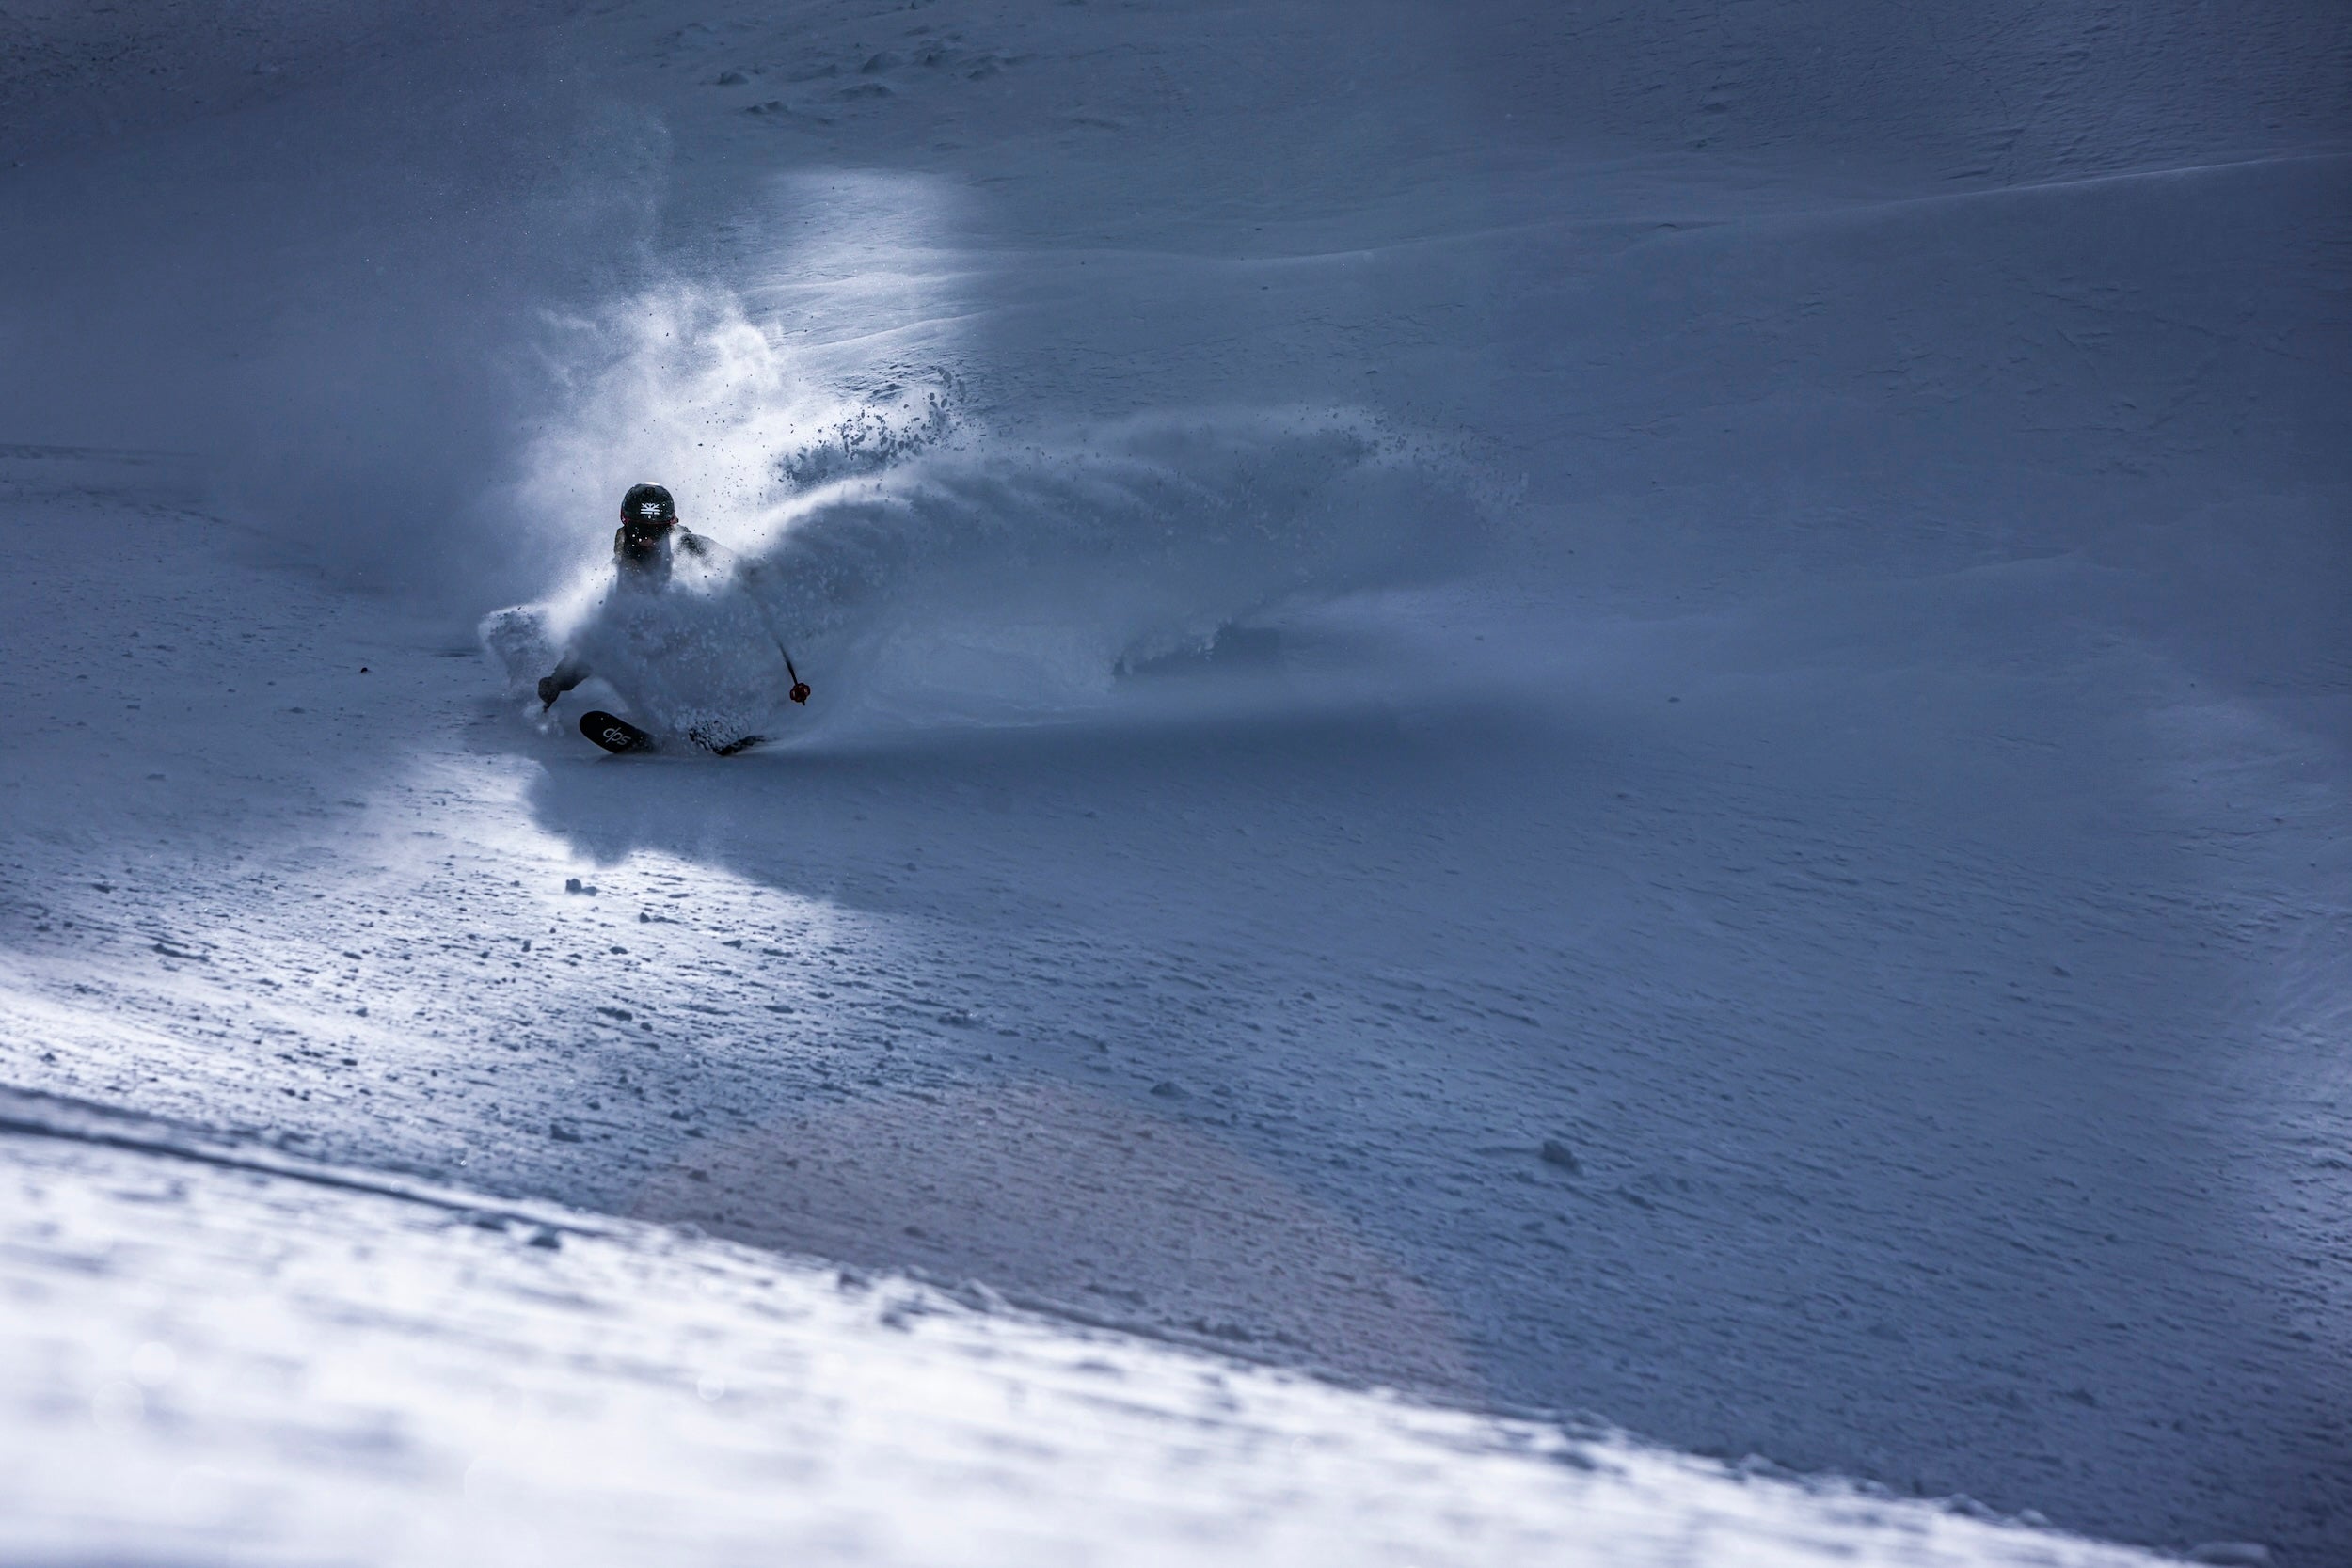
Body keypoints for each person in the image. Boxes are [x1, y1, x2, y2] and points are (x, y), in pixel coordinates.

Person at [534, 483, 809, 752]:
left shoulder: (690, 546)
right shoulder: (618, 576)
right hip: (661, 653)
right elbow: (598, 640)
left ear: (672, 525)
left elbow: (733, 563)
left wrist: (752, 573)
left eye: (659, 530)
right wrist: (559, 681)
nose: (649, 539)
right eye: (640, 529)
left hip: (706, 642)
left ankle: (725, 715)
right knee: (630, 641)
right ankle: (676, 719)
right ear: (625, 521)